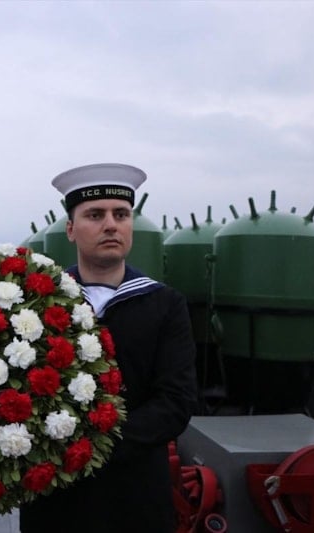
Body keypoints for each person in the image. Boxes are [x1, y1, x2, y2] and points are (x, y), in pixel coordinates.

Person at [19, 164, 197, 532]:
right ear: (70, 229)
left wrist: (90, 445)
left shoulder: (165, 305)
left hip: (135, 498)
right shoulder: (37, 303)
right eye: (95, 215)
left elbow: (175, 402)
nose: (111, 225)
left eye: (121, 214)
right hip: (55, 499)